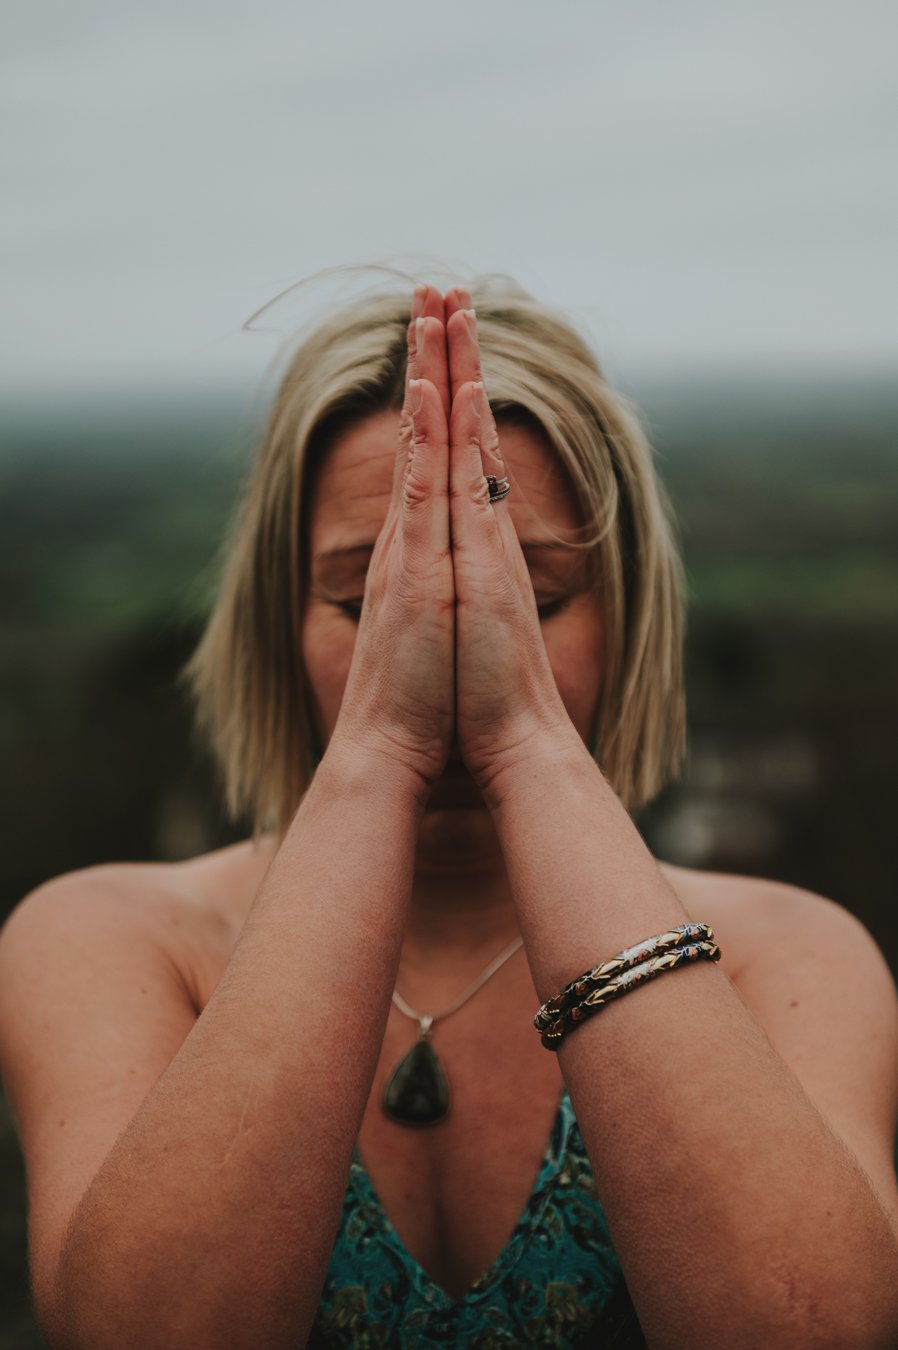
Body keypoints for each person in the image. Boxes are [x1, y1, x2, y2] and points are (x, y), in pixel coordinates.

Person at [1, 277, 897, 1350]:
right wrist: (381, 750)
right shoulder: (112, 940)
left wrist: (526, 739)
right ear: (275, 624)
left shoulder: (788, 959)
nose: (453, 646)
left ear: (631, 610)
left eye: (534, 598)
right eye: (366, 602)